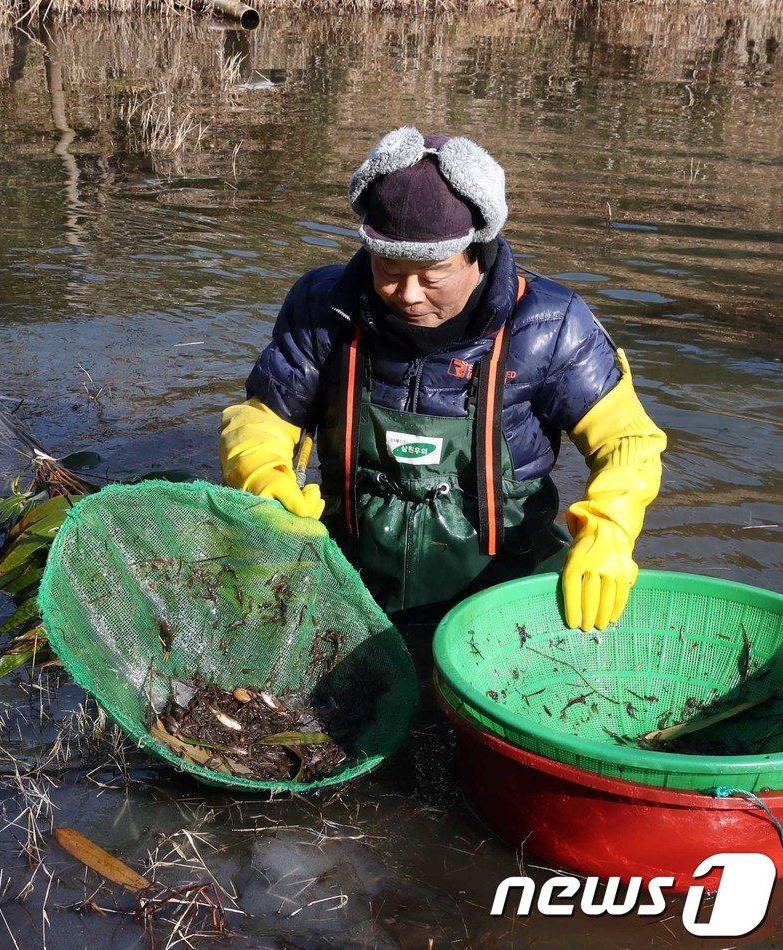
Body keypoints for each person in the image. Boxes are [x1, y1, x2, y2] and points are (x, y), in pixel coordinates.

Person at [219, 127, 666, 632]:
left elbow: (629, 442)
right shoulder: (324, 309)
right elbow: (261, 421)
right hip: (346, 588)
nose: (407, 294)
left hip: (504, 600)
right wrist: (260, 474)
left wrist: (609, 530)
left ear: (477, 254)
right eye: (388, 268)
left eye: (433, 276)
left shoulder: (551, 325)